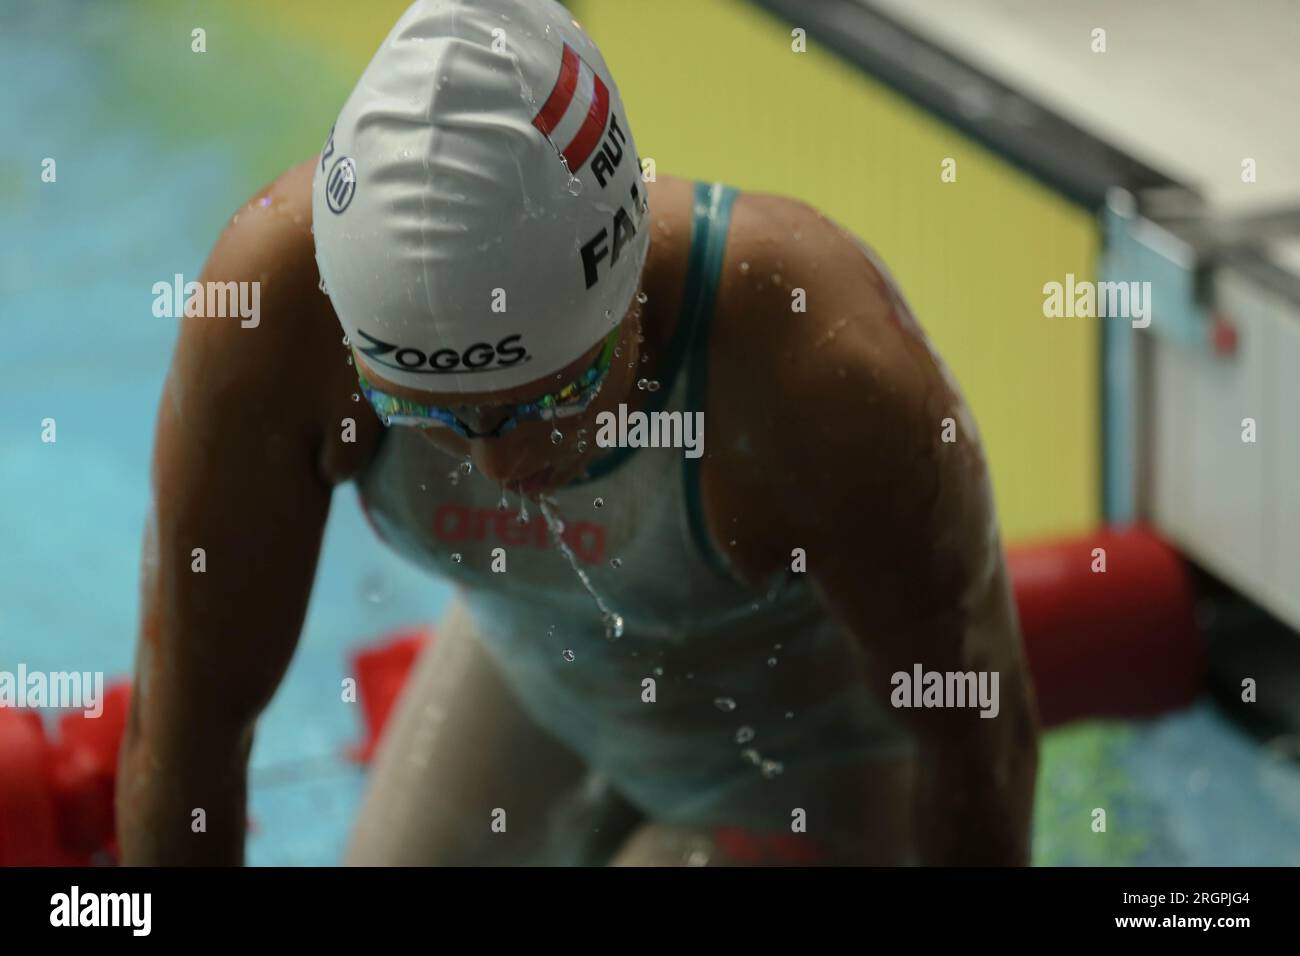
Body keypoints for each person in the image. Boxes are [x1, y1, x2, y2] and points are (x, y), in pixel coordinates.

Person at [117, 0, 1038, 866]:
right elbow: (188, 733)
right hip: (534, 696)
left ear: (629, 288)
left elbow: (973, 729)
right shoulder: (275, 317)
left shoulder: (817, 371)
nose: (497, 461)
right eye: (426, 416)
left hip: (813, 763)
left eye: (555, 397)